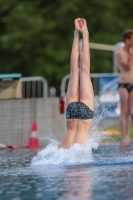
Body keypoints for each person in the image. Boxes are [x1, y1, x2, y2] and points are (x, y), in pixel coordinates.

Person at [59, 18, 94, 149]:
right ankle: (79, 34)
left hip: (74, 119)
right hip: (71, 111)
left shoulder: (62, 151)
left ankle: (80, 34)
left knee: (81, 71)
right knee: (76, 71)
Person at [116, 29, 133, 146]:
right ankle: (124, 137)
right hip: (124, 85)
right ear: (127, 40)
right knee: (124, 110)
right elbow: (127, 66)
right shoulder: (120, 53)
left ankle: (129, 136)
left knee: (129, 111)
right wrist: (131, 55)